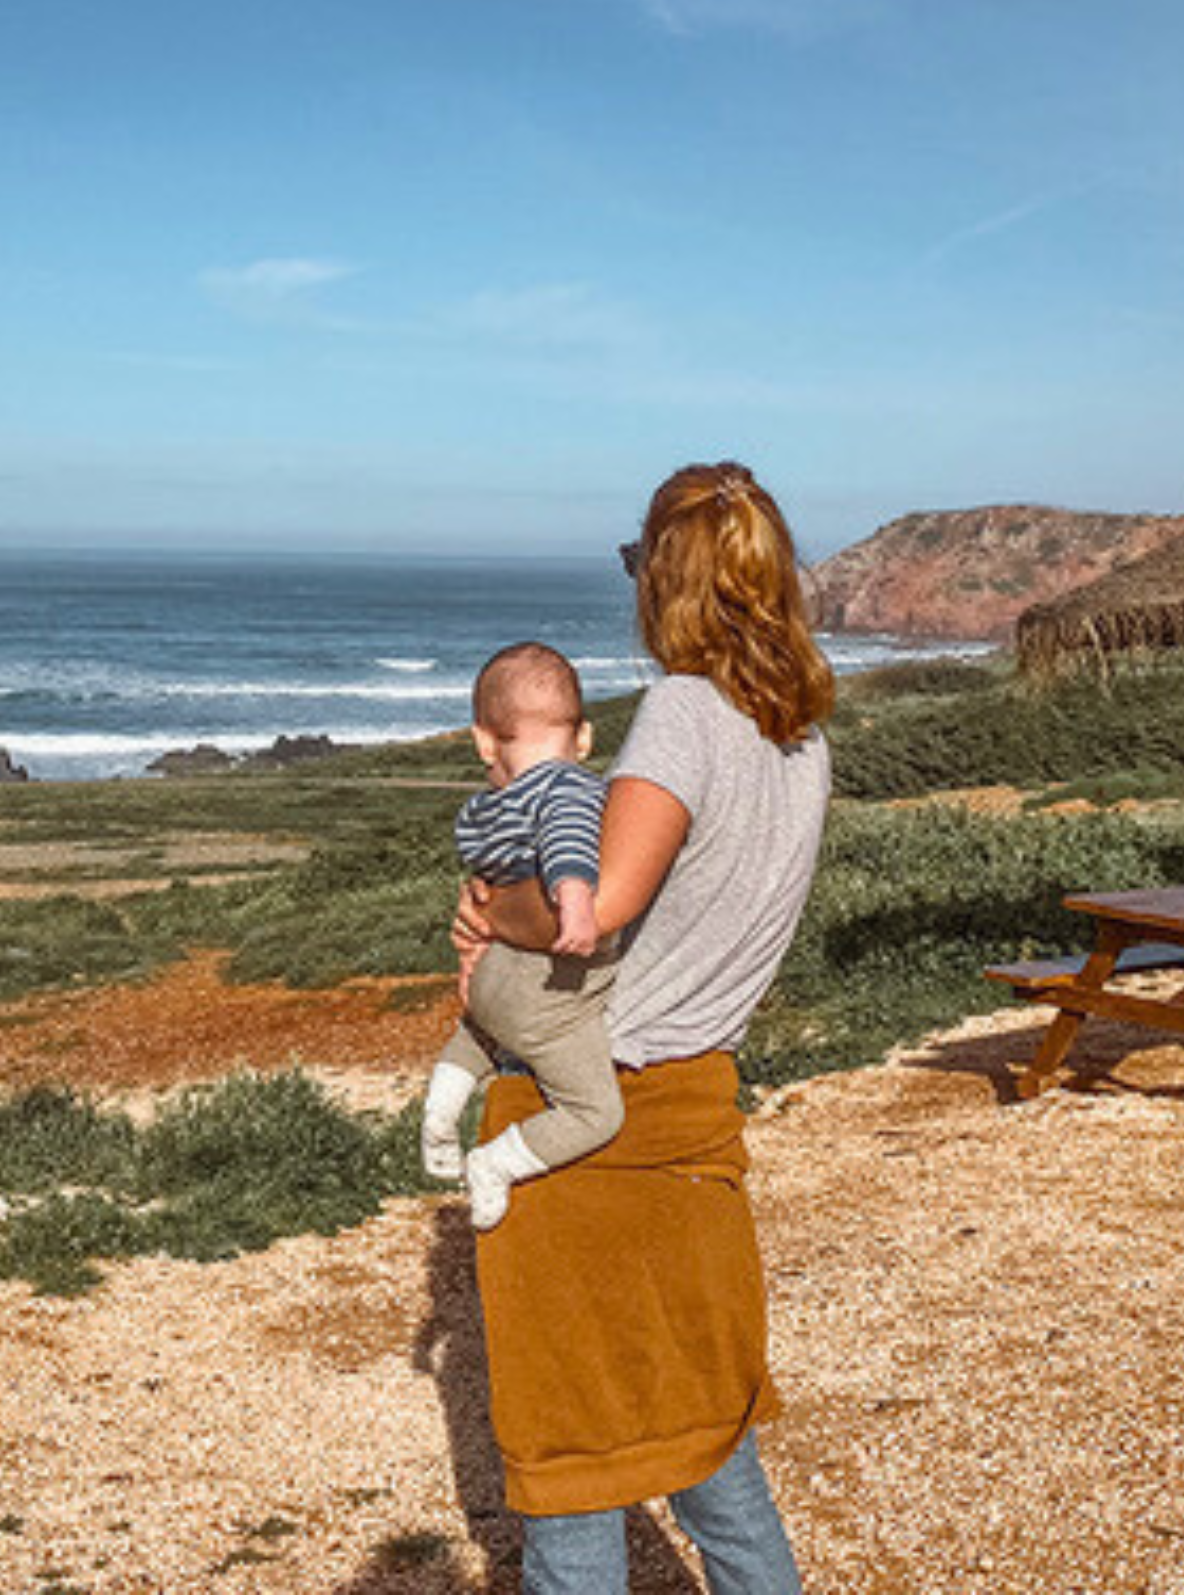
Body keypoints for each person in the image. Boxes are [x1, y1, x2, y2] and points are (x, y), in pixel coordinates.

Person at [452, 459, 834, 1595]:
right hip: (699, 1109)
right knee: (715, 1454)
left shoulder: (680, 710)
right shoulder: (799, 736)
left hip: (590, 1119)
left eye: (637, 563)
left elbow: (591, 911)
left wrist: (489, 907)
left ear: (665, 578)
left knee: (574, 1473)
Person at [421, 641, 623, 1230]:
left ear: (485, 742)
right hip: (544, 985)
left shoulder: (482, 810)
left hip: (492, 978)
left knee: (483, 1034)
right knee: (595, 1112)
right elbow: (569, 840)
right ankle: (494, 1164)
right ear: (584, 738)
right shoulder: (570, 787)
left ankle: (441, 1108)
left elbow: (485, 881)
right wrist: (578, 901)